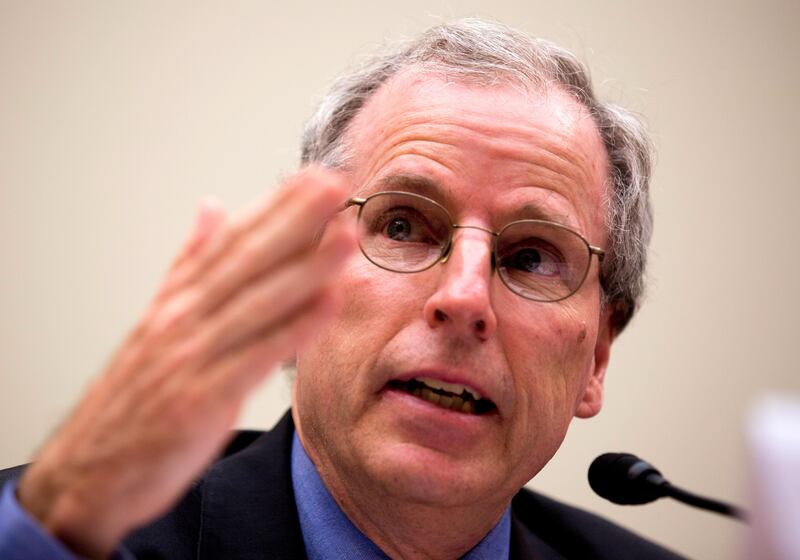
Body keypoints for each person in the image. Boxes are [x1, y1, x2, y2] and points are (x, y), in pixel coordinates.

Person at [0, 19, 685, 559]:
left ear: (596, 356)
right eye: (402, 224)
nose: (465, 297)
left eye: (531, 257)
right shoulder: (61, 539)